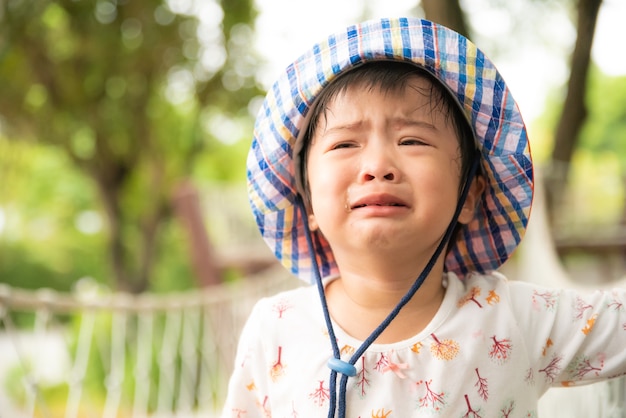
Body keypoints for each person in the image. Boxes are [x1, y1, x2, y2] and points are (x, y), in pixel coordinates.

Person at [222, 17, 626, 418]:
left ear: (469, 194)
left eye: (411, 140)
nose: (378, 165)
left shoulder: (517, 319)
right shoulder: (274, 330)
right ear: (307, 203)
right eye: (345, 143)